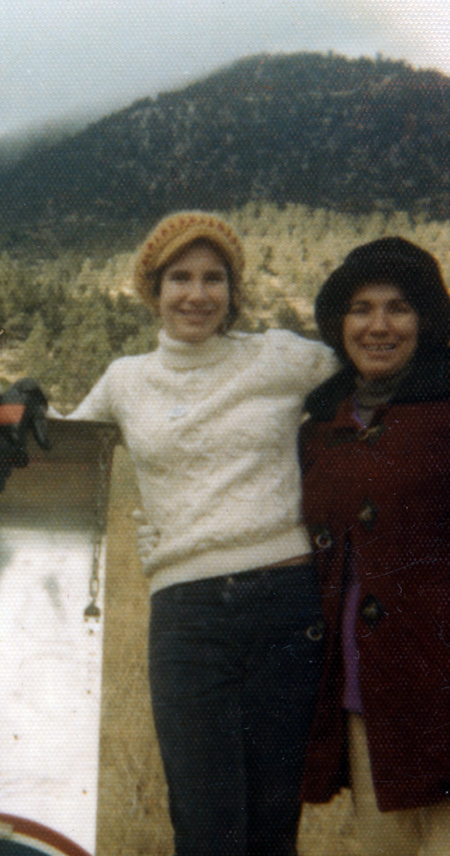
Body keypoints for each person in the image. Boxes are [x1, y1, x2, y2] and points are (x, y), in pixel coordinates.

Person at [68, 210, 337, 856]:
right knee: (206, 826)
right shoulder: (126, 380)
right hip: (186, 619)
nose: (197, 293)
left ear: (232, 291)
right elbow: (61, 447)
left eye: (213, 277)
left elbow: (377, 374)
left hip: (287, 606)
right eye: (179, 278)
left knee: (273, 825)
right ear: (152, 292)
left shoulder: (281, 357)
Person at [299, 237, 450, 856]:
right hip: (370, 693)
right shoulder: (322, 427)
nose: (379, 326)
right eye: (361, 308)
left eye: (399, 308)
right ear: (340, 324)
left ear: (427, 321)